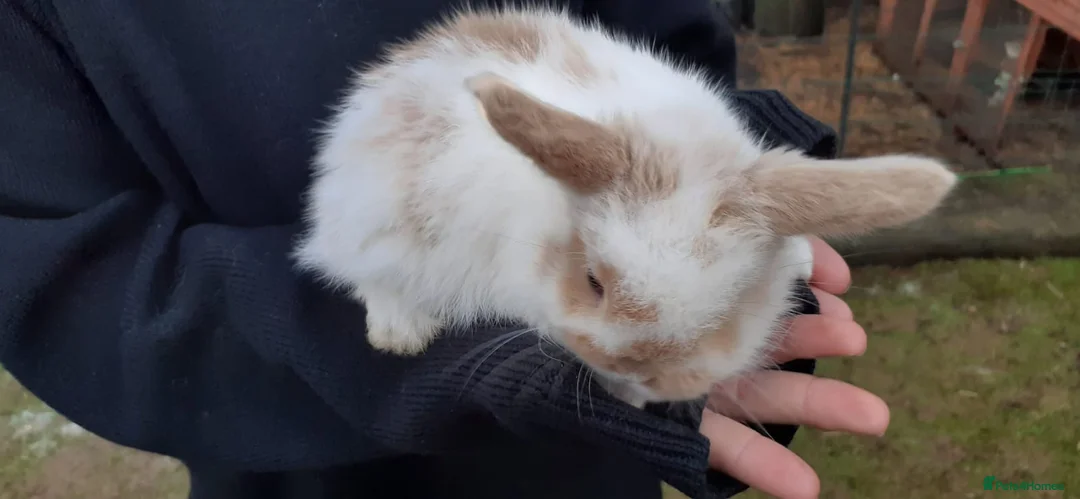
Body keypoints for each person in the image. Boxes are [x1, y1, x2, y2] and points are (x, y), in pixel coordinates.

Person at [0, 0, 889, 498]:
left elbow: (663, 36)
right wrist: (398, 342)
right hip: (294, 471)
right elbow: (65, 276)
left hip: (585, 463)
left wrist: (724, 190)